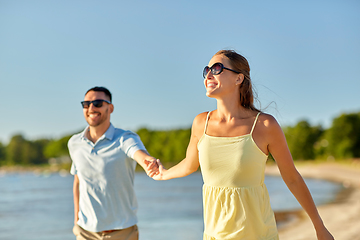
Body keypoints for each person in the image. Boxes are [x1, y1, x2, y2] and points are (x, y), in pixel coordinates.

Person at [153, 50, 334, 240]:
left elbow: (292, 179)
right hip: (213, 235)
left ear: (239, 78)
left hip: (257, 234)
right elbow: (190, 165)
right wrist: (163, 174)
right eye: (206, 70)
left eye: (216, 68)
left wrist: (320, 228)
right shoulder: (200, 123)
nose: (208, 75)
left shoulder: (265, 125)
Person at [68, 86, 158, 240]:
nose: (91, 108)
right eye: (86, 104)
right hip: (85, 233)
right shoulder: (74, 143)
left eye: (97, 103)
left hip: (122, 232)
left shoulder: (125, 138)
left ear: (110, 107)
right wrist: (76, 221)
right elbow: (78, 182)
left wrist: (149, 162)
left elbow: (139, 154)